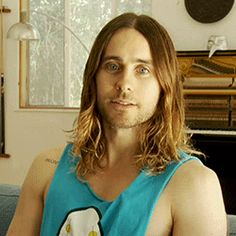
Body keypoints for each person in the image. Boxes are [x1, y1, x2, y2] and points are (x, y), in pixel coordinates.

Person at [7, 12, 227, 236]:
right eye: (112, 66)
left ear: (164, 84)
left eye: (143, 70)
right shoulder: (46, 168)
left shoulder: (194, 186)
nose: (124, 84)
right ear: (93, 78)